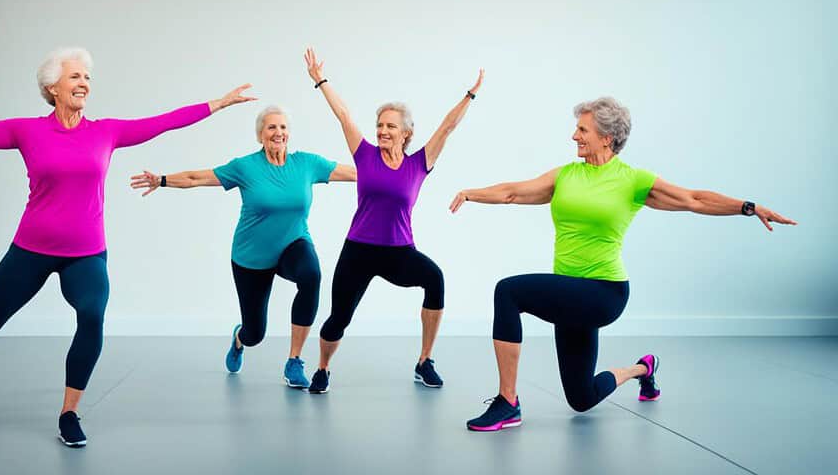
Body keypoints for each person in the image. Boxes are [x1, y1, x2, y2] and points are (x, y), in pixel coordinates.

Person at [0, 47, 254, 446]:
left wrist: (219, 103)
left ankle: (69, 412)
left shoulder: (107, 131)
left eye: (87, 77)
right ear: (52, 87)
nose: (84, 82)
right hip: (30, 251)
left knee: (91, 316)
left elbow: (165, 122)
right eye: (75, 77)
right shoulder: (26, 131)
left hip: (85, 255)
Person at [451, 96, 796, 432]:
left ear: (607, 137)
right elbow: (513, 192)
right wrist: (470, 193)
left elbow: (693, 199)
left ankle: (507, 402)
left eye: (582, 130)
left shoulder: (632, 181)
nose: (574, 136)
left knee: (508, 292)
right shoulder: (566, 176)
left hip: (604, 292)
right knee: (581, 398)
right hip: (570, 294)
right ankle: (642, 370)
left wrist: (749, 207)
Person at [130, 105, 356, 388]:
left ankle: (294, 360)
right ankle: (239, 339)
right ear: (260, 135)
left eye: (283, 127)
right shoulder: (246, 167)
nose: (279, 132)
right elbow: (197, 178)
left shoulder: (307, 165)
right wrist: (161, 180)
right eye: (272, 127)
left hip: (293, 242)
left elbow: (353, 173)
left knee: (311, 276)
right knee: (255, 333)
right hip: (252, 256)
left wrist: (393, 170)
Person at [304, 47, 483, 394]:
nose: (383, 131)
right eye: (380, 125)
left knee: (435, 279)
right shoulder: (365, 154)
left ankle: (424, 361)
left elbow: (447, 127)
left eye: (390, 126)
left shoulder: (419, 163)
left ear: (406, 133)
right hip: (358, 250)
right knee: (338, 318)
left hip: (399, 252)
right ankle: (323, 368)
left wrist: (470, 95)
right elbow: (343, 115)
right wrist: (320, 80)